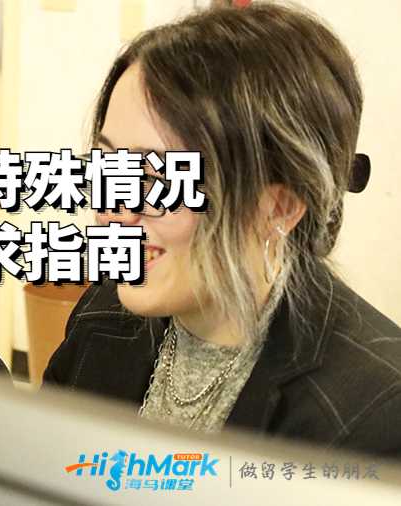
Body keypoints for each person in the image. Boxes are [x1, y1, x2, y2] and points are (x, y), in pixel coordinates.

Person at [44, 3, 401, 458]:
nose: (114, 208)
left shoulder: (372, 413)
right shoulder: (104, 314)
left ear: (279, 207)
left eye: (157, 179)